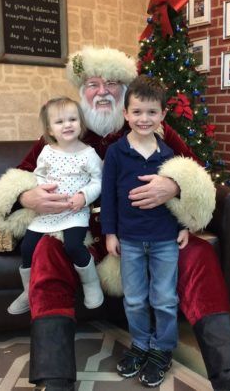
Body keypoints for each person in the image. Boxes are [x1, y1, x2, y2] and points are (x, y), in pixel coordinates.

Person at [0, 45, 230, 391]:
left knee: (198, 255)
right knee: (48, 254)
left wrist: (174, 184)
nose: (103, 91)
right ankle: (54, 381)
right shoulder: (65, 131)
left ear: (125, 93)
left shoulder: (155, 131)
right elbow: (23, 174)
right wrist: (25, 195)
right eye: (93, 83)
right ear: (82, 92)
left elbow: (195, 171)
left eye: (112, 82)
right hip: (85, 233)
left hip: (153, 230)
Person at [100, 75, 190, 387]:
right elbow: (108, 195)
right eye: (137, 112)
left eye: (152, 112)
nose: (144, 118)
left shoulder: (170, 156)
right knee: (135, 298)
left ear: (163, 115)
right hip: (130, 240)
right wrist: (110, 233)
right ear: (125, 114)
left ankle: (162, 349)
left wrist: (184, 226)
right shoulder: (115, 152)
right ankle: (140, 344)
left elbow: (183, 193)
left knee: (164, 298)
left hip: (165, 238)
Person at [7, 97, 103, 315]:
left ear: (81, 123)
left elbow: (99, 181)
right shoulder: (48, 151)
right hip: (47, 212)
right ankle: (28, 290)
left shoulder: (88, 154)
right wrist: (41, 190)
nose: (67, 125)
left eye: (72, 119)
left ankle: (91, 283)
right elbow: (38, 173)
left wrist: (83, 196)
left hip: (74, 211)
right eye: (59, 122)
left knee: (73, 246)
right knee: (26, 248)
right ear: (50, 128)